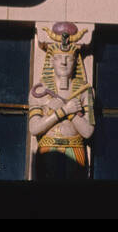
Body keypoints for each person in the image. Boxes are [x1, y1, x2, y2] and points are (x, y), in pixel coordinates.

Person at [29, 22, 95, 179]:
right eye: (59, 58)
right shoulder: (39, 92)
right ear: (51, 62)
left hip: (75, 149)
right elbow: (34, 128)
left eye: (69, 58)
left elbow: (88, 131)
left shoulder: (85, 91)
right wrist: (63, 111)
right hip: (48, 149)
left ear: (76, 62)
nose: (64, 63)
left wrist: (69, 112)